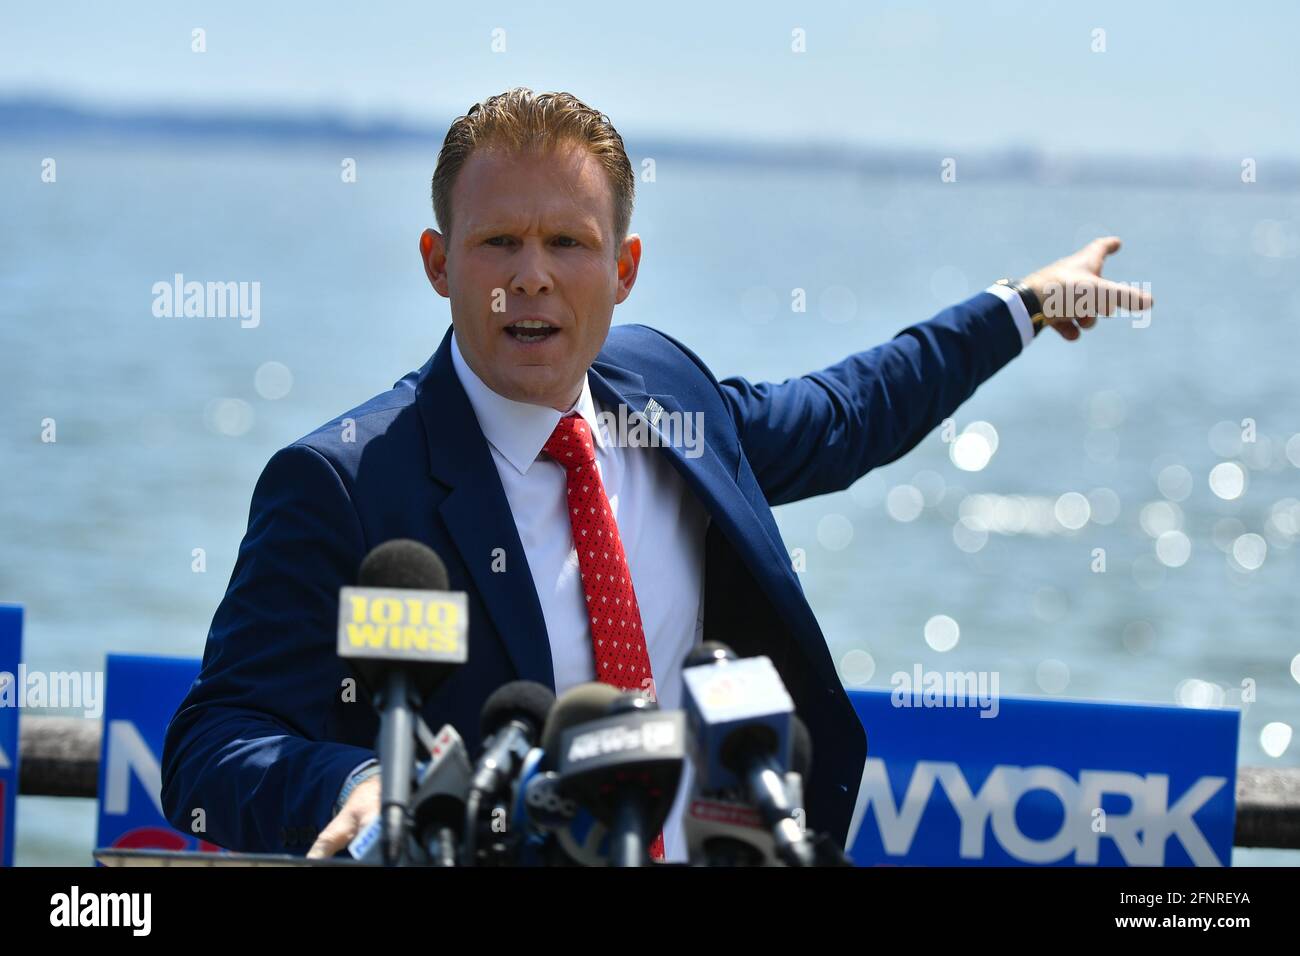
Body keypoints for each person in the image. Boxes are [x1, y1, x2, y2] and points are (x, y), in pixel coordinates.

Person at [161, 87, 1152, 863]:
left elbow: (846, 414)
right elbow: (210, 744)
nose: (532, 276)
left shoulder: (665, 392)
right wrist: (350, 781)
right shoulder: (341, 481)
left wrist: (1019, 306)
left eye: (567, 243)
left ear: (624, 267)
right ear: (438, 260)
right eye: (499, 240)